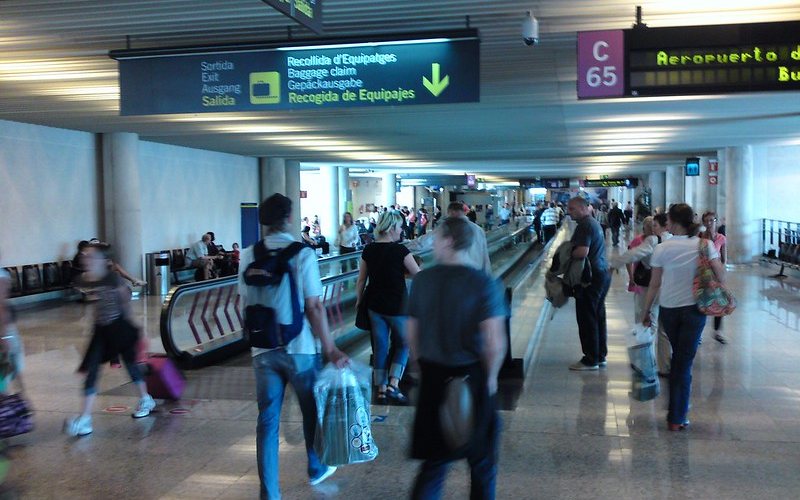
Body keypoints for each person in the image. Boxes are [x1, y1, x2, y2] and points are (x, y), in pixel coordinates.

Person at [239, 193, 349, 498]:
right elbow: (314, 307)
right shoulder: (302, 254)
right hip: (299, 347)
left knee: (267, 422)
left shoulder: (248, 255)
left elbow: (243, 301)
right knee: (310, 412)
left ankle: (269, 493)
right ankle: (315, 466)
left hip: (262, 349)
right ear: (288, 218)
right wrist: (330, 348)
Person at [406, 217, 507, 500]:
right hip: (472, 377)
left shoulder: (422, 281)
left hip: (434, 378)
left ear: (449, 240)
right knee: (482, 463)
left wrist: (419, 369)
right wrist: (489, 380)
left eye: (436, 238)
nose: (433, 243)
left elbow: (412, 333)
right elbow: (493, 341)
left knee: (434, 464)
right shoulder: (484, 283)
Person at [643, 203, 725, 431]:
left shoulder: (662, 248)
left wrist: (646, 312)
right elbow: (721, 274)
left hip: (668, 309)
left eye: (668, 219)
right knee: (683, 361)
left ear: (675, 222)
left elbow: (654, 284)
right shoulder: (704, 245)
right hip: (695, 309)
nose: (666, 222)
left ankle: (676, 413)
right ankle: (677, 416)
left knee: (679, 357)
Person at [64, 243, 155, 437]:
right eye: (85, 256)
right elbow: (92, 298)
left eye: (90, 256)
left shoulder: (112, 278)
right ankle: (85, 419)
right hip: (101, 331)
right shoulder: (85, 279)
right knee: (92, 369)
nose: (85, 259)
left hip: (120, 328)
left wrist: (137, 331)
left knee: (131, 365)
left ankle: (146, 398)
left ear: (104, 261)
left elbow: (125, 305)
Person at [355, 210, 420, 404]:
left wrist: (359, 301)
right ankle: (393, 384)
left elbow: (361, 280)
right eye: (400, 227)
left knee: (380, 348)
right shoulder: (400, 251)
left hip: (375, 305)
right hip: (398, 305)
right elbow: (418, 273)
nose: (401, 231)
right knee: (403, 344)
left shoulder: (369, 250)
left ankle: (381, 389)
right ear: (392, 228)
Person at [611, 213, 672, 375]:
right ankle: (665, 366)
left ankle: (643, 362)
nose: (653, 229)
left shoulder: (653, 240)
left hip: (650, 288)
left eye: (655, 225)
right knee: (664, 330)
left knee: (646, 325)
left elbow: (633, 254)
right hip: (669, 290)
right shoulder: (674, 240)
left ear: (663, 226)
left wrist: (613, 263)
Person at [567, 197, 611, 371]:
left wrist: (566, 252)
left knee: (587, 316)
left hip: (590, 277)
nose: (569, 212)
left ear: (584, 208)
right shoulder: (594, 223)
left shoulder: (585, 225)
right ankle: (600, 355)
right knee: (597, 315)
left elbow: (582, 251)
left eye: (572, 209)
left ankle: (590, 359)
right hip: (601, 273)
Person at [701, 211, 728, 344]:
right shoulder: (699, 237)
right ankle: (698, 332)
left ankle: (718, 331)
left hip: (716, 274)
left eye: (712, 220)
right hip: (702, 274)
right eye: (707, 221)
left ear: (716, 221)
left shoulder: (721, 238)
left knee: (719, 301)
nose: (710, 223)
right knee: (702, 302)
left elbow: (724, 259)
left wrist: (722, 275)